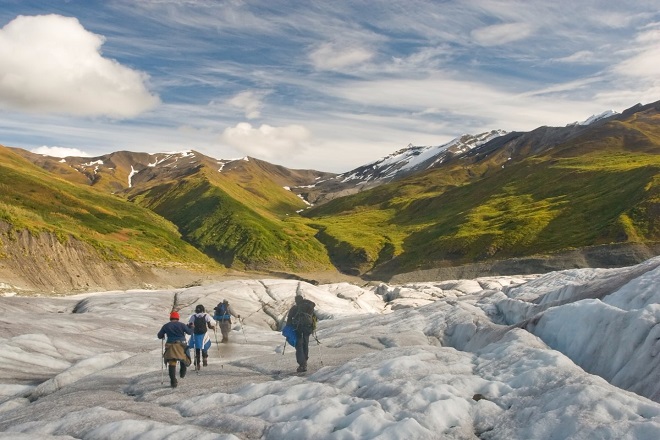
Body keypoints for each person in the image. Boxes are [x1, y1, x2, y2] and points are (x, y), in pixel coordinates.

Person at [157, 311, 193, 388]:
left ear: (171, 318)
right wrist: (192, 327)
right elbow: (189, 332)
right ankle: (182, 373)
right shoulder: (182, 325)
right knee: (184, 357)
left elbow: (159, 335)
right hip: (181, 345)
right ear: (178, 318)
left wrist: (163, 334)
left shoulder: (166, 326)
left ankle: (173, 381)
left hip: (170, 346)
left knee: (172, 362)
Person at [286, 294, 316, 372]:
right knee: (305, 344)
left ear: (296, 301)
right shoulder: (309, 308)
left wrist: (288, 329)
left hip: (297, 328)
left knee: (299, 345)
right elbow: (314, 318)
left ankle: (302, 364)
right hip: (308, 329)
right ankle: (305, 360)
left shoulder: (294, 308)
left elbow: (289, 319)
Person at [187, 305, 215, 369]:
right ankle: (205, 358)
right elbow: (209, 326)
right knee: (204, 345)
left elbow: (190, 325)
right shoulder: (206, 316)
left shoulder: (193, 316)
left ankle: (197, 364)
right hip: (203, 334)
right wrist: (212, 327)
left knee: (197, 348)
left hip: (196, 334)